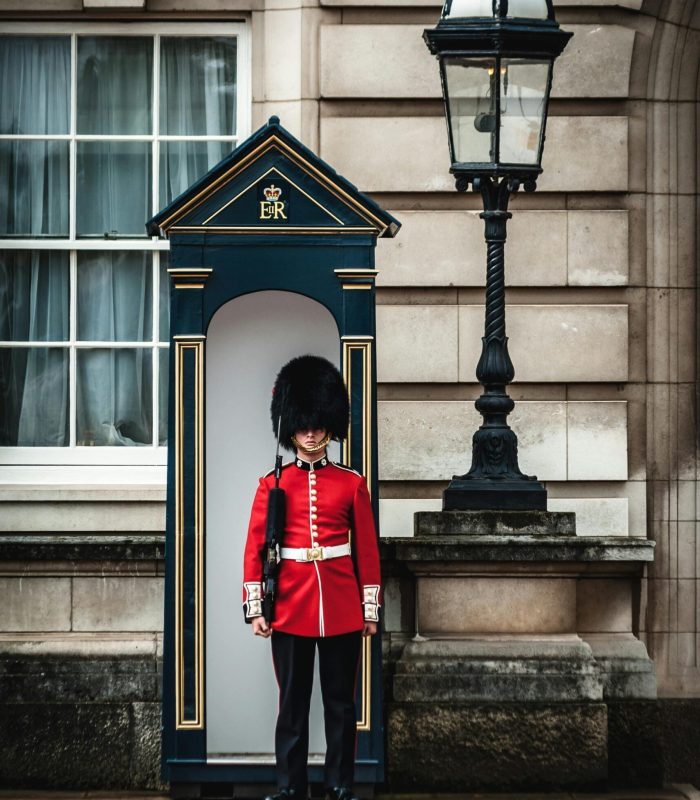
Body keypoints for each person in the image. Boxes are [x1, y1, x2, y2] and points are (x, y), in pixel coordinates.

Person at [242, 355, 381, 800]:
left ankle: (339, 783)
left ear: (328, 423)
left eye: (318, 424)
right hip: (289, 604)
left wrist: (370, 607)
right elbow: (256, 549)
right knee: (292, 706)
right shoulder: (272, 484)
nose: (310, 432)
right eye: (303, 425)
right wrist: (257, 608)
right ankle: (290, 786)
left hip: (340, 605)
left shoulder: (351, 483)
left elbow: (366, 551)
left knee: (341, 705)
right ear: (291, 426)